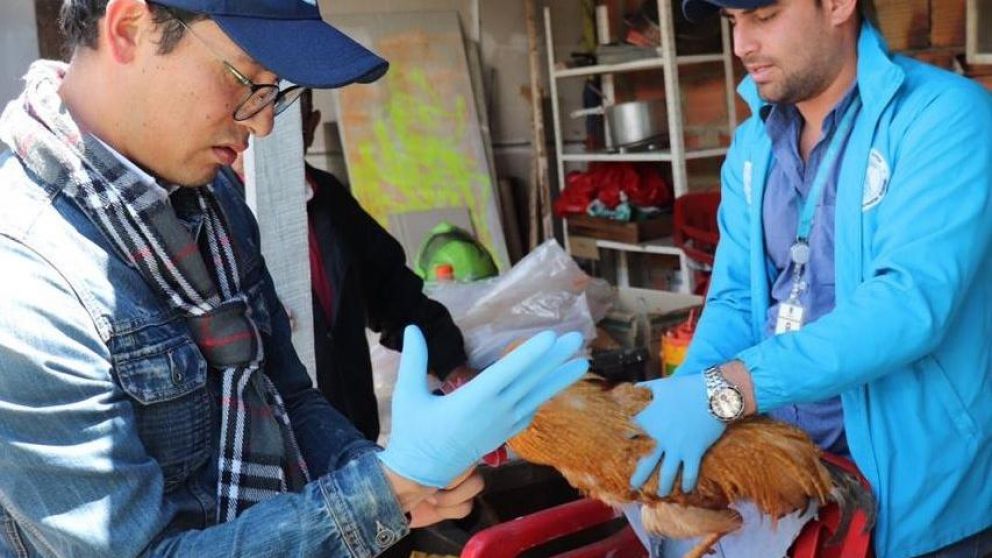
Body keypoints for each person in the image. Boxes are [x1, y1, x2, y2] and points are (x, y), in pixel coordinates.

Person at [0, 1, 588, 556]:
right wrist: (380, 492)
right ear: (130, 27)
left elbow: (284, 396)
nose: (261, 125)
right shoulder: (27, 281)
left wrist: (391, 475)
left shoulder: (213, 202)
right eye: (244, 79)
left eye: (273, 92)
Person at [627, 0, 992, 557]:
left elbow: (907, 305)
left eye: (764, 16)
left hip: (917, 502)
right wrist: (692, 394)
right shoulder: (753, 146)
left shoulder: (943, 118)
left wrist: (727, 391)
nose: (741, 45)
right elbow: (735, 300)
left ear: (839, 5)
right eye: (732, 21)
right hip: (791, 481)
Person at [234, 89, 475, 443]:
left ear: (310, 127)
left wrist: (452, 366)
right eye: (256, 112)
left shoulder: (329, 198)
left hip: (351, 430)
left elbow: (392, 292)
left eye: (285, 116)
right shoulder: (212, 212)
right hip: (272, 445)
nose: (268, 128)